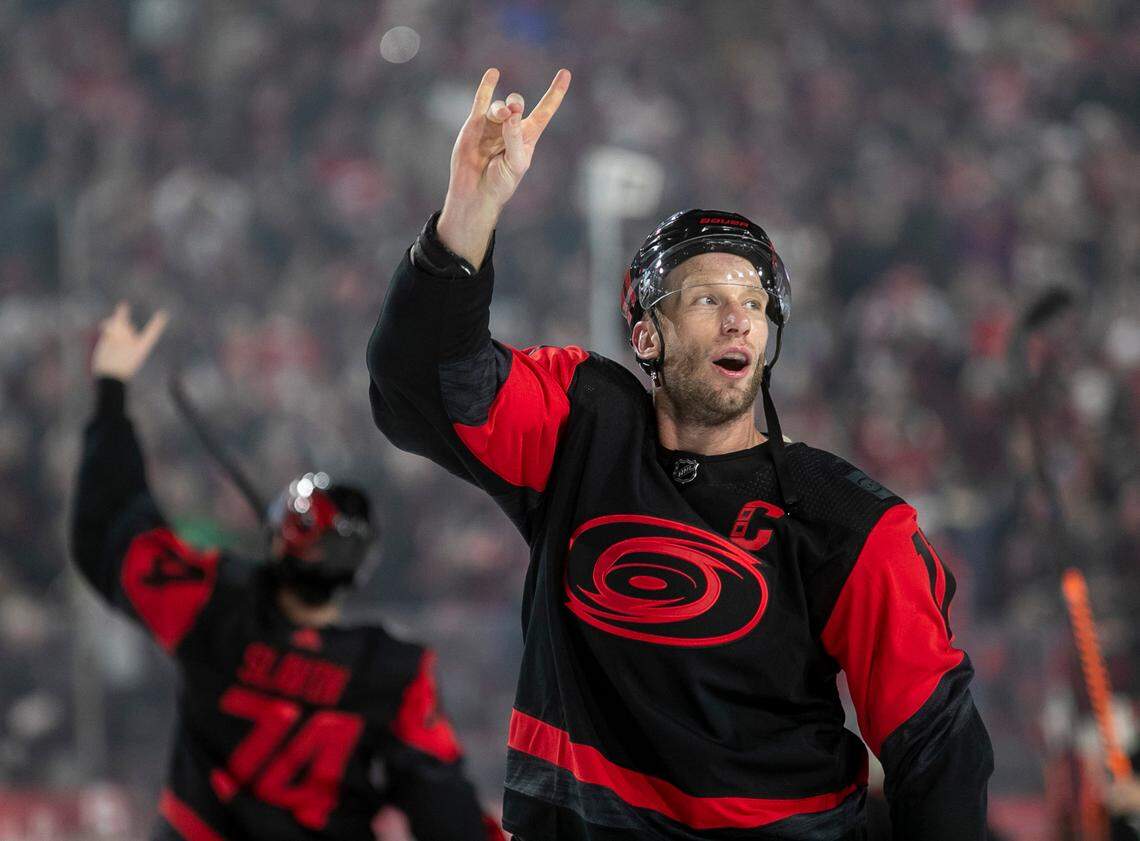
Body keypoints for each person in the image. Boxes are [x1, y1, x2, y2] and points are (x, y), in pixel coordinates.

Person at [366, 68, 994, 840]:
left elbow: (939, 749)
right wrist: (470, 206)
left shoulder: (847, 521)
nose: (739, 320)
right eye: (706, 299)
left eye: (756, 305)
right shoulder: (584, 426)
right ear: (645, 336)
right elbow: (423, 388)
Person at [71, 303, 504, 841]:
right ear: (358, 573)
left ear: (277, 544)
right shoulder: (389, 673)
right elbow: (449, 816)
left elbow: (110, 532)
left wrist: (111, 390)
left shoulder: (215, 604)